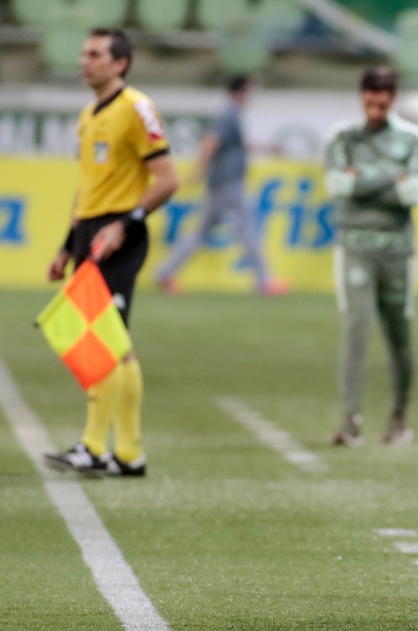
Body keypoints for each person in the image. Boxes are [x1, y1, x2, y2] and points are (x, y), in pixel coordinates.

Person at [44, 28, 179, 476]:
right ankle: (128, 453)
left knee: (104, 341)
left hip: (118, 234)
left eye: (95, 54)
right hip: (90, 233)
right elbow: (88, 186)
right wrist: (66, 246)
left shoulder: (136, 109)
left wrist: (125, 225)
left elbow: (167, 180)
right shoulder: (88, 115)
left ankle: (94, 446)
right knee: (115, 345)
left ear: (120, 63)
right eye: (83, 53)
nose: (85, 61)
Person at [324, 67, 418, 445]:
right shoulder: (342, 136)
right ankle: (350, 421)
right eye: (370, 99)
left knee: (399, 337)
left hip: (397, 252)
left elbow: (414, 193)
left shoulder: (412, 138)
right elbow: (338, 185)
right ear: (362, 96)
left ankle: (399, 418)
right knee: (356, 332)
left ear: (392, 99)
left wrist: (362, 180)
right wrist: (391, 177)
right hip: (355, 247)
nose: (376, 106)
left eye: (382, 101)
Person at [155, 75, 286, 296]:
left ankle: (165, 273)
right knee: (248, 229)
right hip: (228, 183)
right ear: (241, 91)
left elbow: (235, 144)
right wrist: (198, 170)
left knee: (201, 232)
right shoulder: (228, 114)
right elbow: (211, 142)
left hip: (222, 183)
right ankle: (264, 282)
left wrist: (267, 148)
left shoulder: (228, 113)